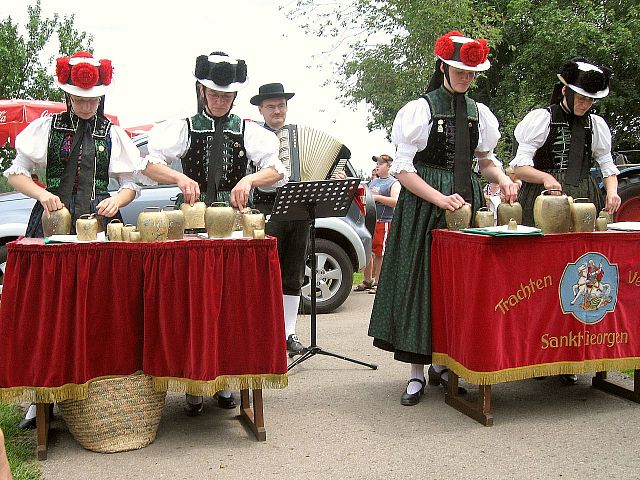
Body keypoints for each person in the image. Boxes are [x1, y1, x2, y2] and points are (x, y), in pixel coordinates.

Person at [2, 51, 197, 428]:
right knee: (49, 310)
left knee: (97, 306)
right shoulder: (46, 128)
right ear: (68, 95)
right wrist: (42, 194)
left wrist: (116, 200)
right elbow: (16, 173)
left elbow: (130, 185)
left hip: (101, 227)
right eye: (79, 98)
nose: (87, 104)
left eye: (92, 98)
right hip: (51, 225)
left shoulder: (113, 133)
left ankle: (94, 383)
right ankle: (41, 398)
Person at [368, 31, 519, 406]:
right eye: (459, 71)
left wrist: (502, 178)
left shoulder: (480, 114)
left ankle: (447, 363)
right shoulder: (420, 109)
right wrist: (439, 199)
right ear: (443, 68)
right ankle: (417, 374)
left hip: (464, 203)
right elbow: (403, 170)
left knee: (459, 286)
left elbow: (485, 161)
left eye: (471, 73)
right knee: (421, 282)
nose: (466, 78)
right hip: (424, 206)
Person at [144, 53, 286, 414]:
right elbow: (149, 165)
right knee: (192, 304)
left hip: (233, 226)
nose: (220, 100)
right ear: (201, 91)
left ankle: (226, 380)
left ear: (234, 97)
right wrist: (178, 176)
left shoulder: (249, 129)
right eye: (213, 94)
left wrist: (249, 178)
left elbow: (275, 170)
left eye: (226, 96)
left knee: (230, 304)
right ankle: (193, 383)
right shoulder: (184, 127)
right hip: (190, 224)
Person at [510, 57, 620, 385]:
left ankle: (568, 357)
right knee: (541, 276)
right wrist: (545, 178)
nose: (585, 105)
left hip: (584, 201)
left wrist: (612, 192)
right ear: (565, 91)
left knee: (576, 274)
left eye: (590, 100)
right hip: (544, 201)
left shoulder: (596, 126)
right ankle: (536, 354)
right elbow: (518, 167)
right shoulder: (541, 119)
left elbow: (606, 163)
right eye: (581, 98)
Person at [249, 82, 307, 354]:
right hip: (263, 206)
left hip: (297, 207)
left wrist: (334, 174)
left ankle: (289, 332)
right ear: (261, 109)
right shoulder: (251, 136)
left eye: (281, 105)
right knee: (263, 272)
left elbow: (329, 162)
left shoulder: (298, 135)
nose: (277, 111)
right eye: (271, 106)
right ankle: (263, 331)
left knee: (293, 271)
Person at [364, 154, 400, 295]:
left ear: (389, 166)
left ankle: (379, 282)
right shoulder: (374, 182)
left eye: (381, 163)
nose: (377, 166)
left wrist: (378, 198)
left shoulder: (393, 183)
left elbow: (396, 201)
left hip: (384, 221)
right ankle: (368, 280)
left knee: (380, 253)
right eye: (377, 163)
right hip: (371, 221)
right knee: (368, 251)